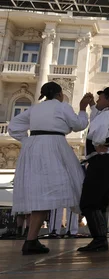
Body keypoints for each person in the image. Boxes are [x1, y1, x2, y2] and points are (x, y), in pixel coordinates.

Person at [8, 82, 93, 254]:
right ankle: (32, 240)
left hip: (34, 148)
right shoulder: (63, 107)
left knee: (40, 192)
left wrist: (28, 141)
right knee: (73, 183)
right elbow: (78, 125)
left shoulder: (34, 109)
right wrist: (83, 109)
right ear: (60, 94)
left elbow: (14, 127)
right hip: (55, 146)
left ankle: (31, 239)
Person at [77, 87, 109, 252]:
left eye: (100, 99)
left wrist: (98, 144)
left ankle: (99, 238)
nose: (97, 101)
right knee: (100, 202)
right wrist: (92, 107)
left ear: (108, 100)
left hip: (102, 161)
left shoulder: (108, 113)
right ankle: (100, 238)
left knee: (89, 201)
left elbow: (97, 131)